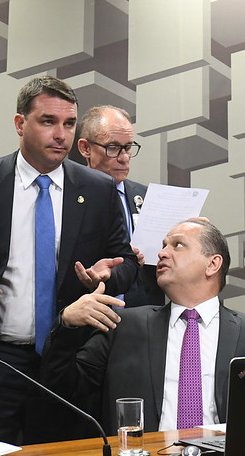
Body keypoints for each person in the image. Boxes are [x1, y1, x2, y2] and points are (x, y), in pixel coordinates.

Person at [0, 75, 138, 444]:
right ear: (20, 124)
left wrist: (105, 279)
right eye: (48, 122)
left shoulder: (98, 189)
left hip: (69, 362)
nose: (61, 135)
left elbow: (127, 264)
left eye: (69, 124)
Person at [41, 219, 245, 434]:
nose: (162, 253)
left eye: (177, 245)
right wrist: (67, 324)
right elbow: (63, 391)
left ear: (213, 264)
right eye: (163, 246)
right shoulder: (122, 328)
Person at [77, 105, 164, 307]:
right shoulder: (67, 197)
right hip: (89, 315)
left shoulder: (148, 197)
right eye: (113, 148)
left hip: (145, 320)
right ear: (85, 148)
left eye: (128, 147)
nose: (124, 158)